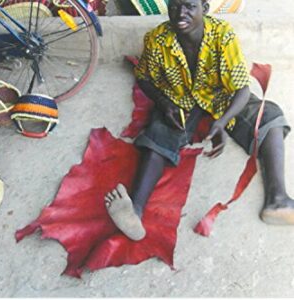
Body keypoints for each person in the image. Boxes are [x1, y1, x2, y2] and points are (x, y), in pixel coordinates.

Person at [104, 0, 294, 241]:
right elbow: (144, 78)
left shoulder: (222, 35)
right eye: (174, 6)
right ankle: (135, 211)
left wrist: (222, 121)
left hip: (219, 95)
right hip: (179, 97)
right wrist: (164, 104)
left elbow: (241, 89)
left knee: (270, 115)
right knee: (158, 134)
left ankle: (277, 200)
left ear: (204, 9)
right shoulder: (157, 39)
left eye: (189, 6)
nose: (180, 13)